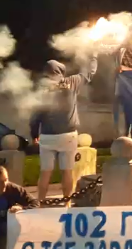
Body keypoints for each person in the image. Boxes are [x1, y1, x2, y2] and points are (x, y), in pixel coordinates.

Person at [30, 54, 98, 202]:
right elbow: (89, 74)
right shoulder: (71, 82)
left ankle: (40, 202)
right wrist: (93, 57)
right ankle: (67, 202)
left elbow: (36, 114)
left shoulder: (42, 89)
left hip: (47, 136)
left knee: (45, 172)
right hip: (68, 135)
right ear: (61, 72)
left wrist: (34, 133)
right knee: (67, 171)